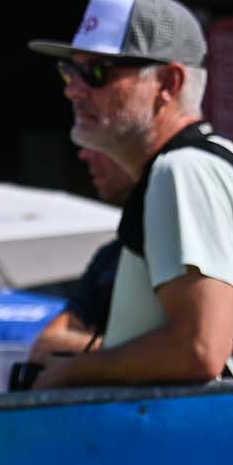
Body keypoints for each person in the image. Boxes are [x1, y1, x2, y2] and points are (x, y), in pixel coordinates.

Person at [27, 0, 233, 389]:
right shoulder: (209, 162)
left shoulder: (181, 171)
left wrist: (71, 371)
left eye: (97, 72)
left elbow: (199, 349)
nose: (73, 90)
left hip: (203, 427)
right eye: (69, 71)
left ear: (168, 82)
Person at [21, 146, 139, 370]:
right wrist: (149, 351)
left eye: (100, 144)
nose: (84, 154)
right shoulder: (111, 254)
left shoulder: (179, 240)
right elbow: (47, 343)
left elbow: (190, 346)